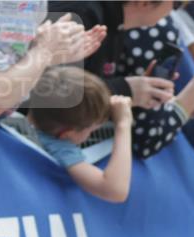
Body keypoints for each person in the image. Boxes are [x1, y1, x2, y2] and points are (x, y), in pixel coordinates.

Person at [25, 68, 134, 203]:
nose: (89, 135)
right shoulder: (57, 146)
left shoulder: (11, 123)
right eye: (91, 131)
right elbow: (114, 191)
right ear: (67, 134)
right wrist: (123, 124)